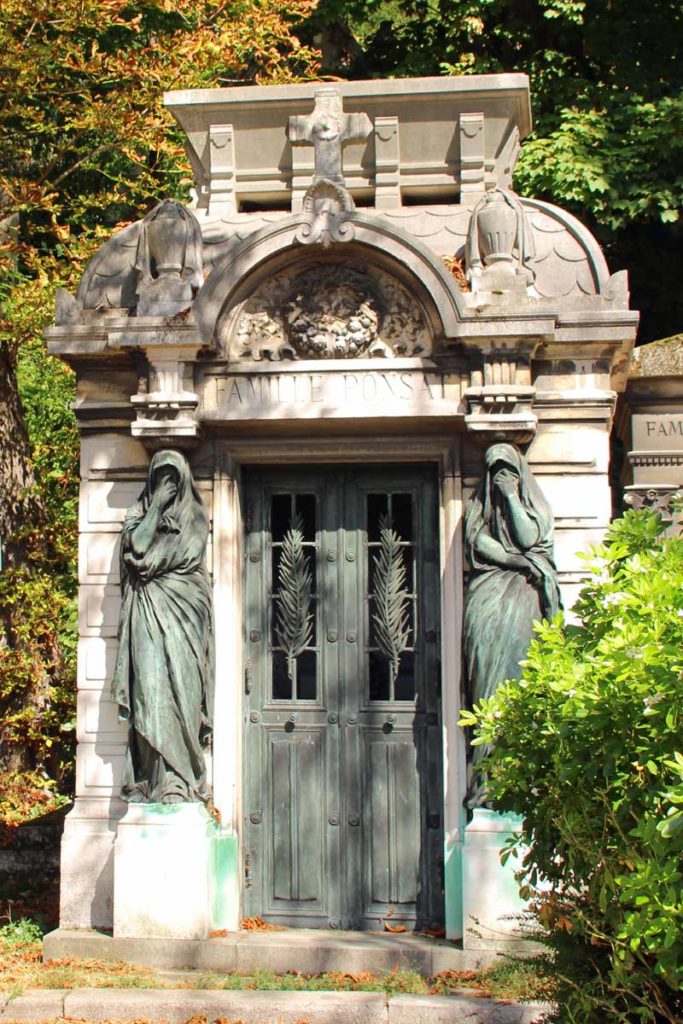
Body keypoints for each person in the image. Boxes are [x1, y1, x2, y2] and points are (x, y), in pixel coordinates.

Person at [112, 449, 214, 804]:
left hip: (185, 618)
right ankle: (153, 782)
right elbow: (138, 545)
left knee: (184, 694)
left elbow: (155, 558)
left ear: (183, 480)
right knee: (149, 693)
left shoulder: (195, 517)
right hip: (146, 615)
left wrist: (144, 560)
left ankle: (179, 782)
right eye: (160, 476)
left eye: (172, 477)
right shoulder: (137, 513)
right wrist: (155, 506)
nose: (166, 483)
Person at [463, 443, 560, 806]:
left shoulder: (536, 508)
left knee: (519, 682)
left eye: (508, 471)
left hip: (523, 604)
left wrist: (512, 497)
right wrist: (518, 561)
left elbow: (528, 538)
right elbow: (481, 544)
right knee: (485, 685)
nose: (501, 477)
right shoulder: (477, 512)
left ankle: (515, 782)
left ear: (521, 475)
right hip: (487, 601)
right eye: (495, 473)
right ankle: (486, 780)